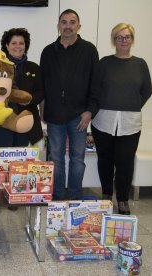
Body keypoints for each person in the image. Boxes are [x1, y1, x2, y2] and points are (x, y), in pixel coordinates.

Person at [0, 28, 44, 215]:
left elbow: (41, 92)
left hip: (24, 120)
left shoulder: (33, 68)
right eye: (14, 43)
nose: (18, 46)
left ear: (26, 46)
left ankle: (13, 195)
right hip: (1, 120)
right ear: (7, 46)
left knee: (18, 160)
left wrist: (27, 99)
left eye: (21, 43)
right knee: (0, 159)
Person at [40, 9, 101, 200]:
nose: (68, 26)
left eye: (72, 22)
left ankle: (75, 197)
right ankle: (57, 196)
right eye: (64, 22)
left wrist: (90, 111)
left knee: (77, 160)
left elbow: (96, 84)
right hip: (54, 115)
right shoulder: (48, 51)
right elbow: (43, 83)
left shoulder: (89, 50)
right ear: (58, 26)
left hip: (79, 115)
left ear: (78, 26)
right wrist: (42, 109)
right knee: (55, 159)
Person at [91, 23, 152, 215]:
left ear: (132, 40)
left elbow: (147, 91)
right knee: (105, 160)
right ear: (113, 40)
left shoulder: (140, 64)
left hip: (130, 122)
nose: (123, 40)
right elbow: (95, 89)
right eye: (119, 37)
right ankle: (107, 195)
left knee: (125, 162)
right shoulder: (104, 63)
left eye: (127, 37)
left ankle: (123, 199)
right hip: (103, 121)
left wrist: (131, 105)